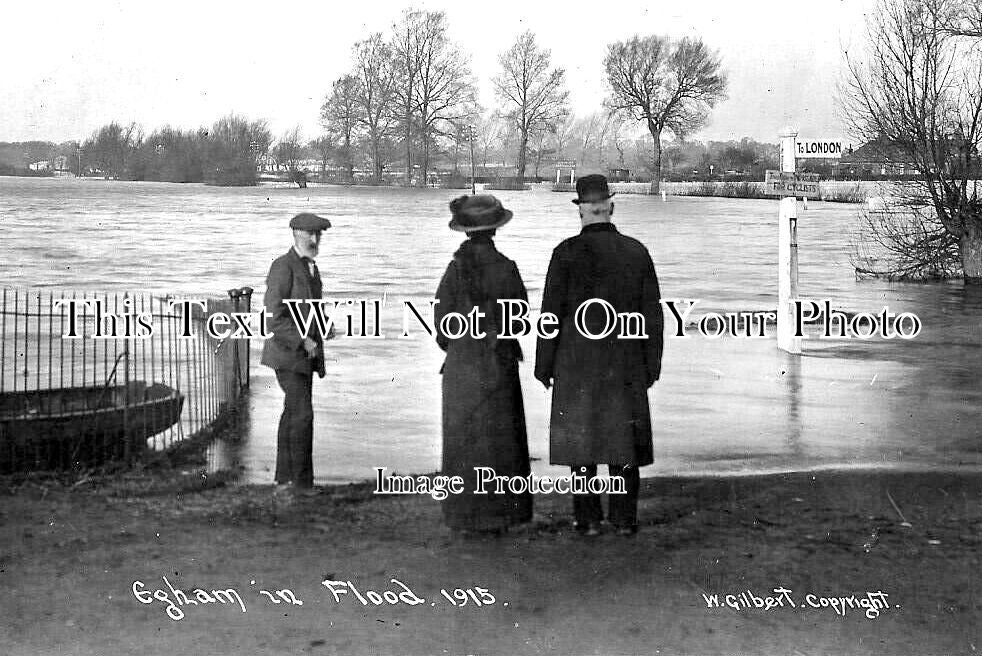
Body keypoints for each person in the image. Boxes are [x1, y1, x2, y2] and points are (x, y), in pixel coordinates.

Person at [534, 174, 664, 537]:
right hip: (625, 363)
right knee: (623, 446)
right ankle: (624, 520)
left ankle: (587, 520)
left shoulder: (564, 253)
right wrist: (651, 366)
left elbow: (550, 317)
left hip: (575, 365)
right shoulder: (636, 251)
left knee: (583, 447)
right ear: (611, 207)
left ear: (580, 211)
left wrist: (544, 367)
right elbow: (653, 317)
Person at [435, 194, 533, 535]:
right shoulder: (507, 268)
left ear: (465, 231)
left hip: (462, 369)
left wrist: (461, 347)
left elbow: (442, 325)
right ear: (495, 230)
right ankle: (502, 515)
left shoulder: (453, 269)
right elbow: (520, 322)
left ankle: (465, 516)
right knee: (501, 442)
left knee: (464, 441)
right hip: (498, 365)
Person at [261, 212, 334, 493]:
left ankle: (283, 480)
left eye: (318, 235)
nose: (315, 240)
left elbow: (309, 309)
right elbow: (274, 316)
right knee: (303, 414)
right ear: (295, 235)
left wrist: (323, 327)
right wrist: (303, 340)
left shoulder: (311, 269)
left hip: (305, 356)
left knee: (293, 412)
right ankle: (302, 484)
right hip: (287, 354)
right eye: (309, 235)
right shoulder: (283, 266)